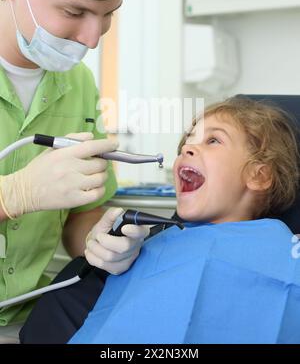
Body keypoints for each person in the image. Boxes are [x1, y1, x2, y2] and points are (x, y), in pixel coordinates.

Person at [0, 0, 149, 337]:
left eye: (107, 15)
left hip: (23, 318)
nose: (91, 38)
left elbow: (80, 210)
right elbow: (24, 196)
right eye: (74, 11)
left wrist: (97, 237)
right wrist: (13, 195)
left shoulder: (77, 83)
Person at [67, 96, 300, 344]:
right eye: (185, 145)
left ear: (258, 175)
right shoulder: (147, 245)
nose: (186, 149)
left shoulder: (285, 249)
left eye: (213, 140)